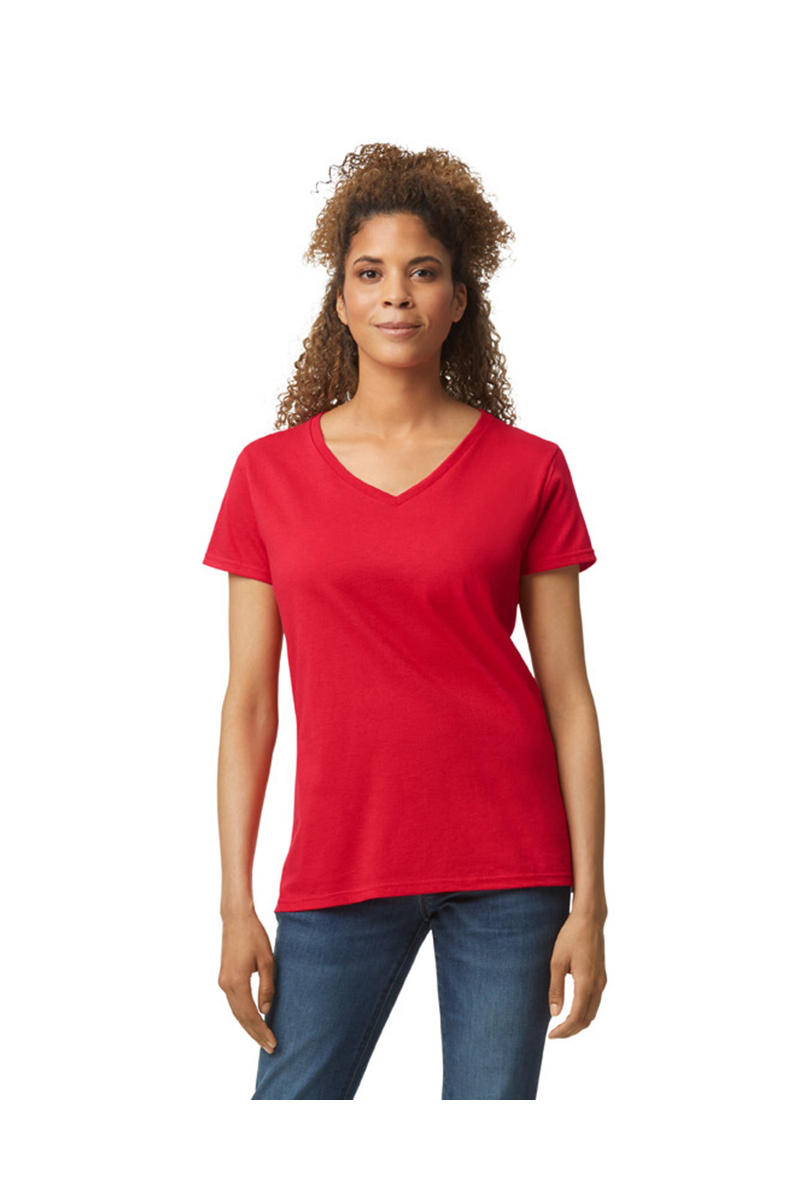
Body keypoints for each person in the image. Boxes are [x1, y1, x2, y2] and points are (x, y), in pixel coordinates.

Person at [202, 143, 608, 1100]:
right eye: (370, 273)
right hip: (340, 862)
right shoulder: (267, 475)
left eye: (423, 272)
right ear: (340, 300)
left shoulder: (531, 469)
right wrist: (234, 902)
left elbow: (570, 698)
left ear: (460, 299)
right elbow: (249, 704)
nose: (396, 295)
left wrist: (591, 903)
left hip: (512, 865)